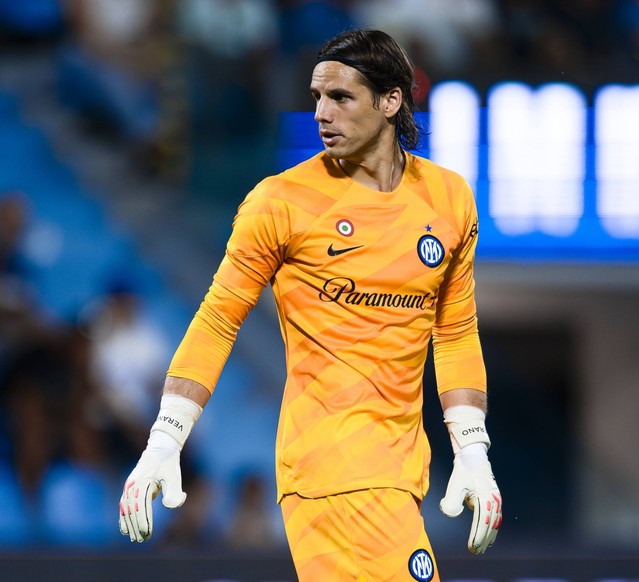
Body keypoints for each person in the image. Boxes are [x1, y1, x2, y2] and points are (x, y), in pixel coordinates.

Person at [118, 28, 502, 581]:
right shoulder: (281, 203)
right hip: (332, 465)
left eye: (341, 97)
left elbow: (457, 330)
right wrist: (166, 437)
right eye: (317, 97)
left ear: (391, 100)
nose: (322, 112)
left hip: (400, 471)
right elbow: (217, 318)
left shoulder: (448, 199)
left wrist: (471, 447)